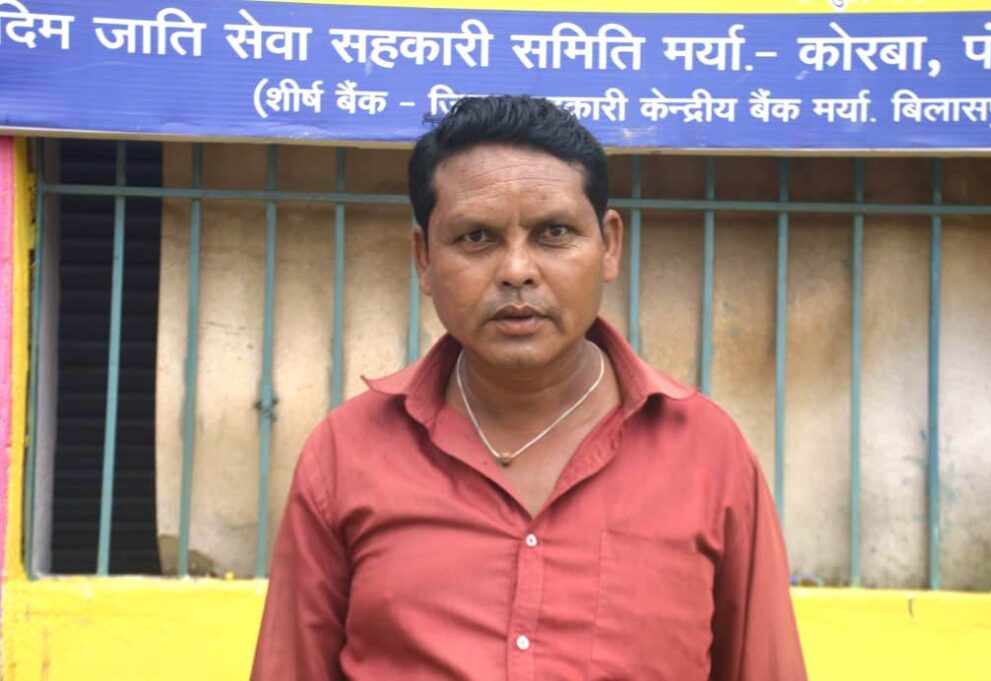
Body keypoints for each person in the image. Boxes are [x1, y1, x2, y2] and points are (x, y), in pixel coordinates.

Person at [250, 95, 807, 681]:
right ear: (423, 258)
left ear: (609, 245)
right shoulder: (348, 453)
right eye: (476, 237)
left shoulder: (707, 454)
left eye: (554, 233)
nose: (517, 270)